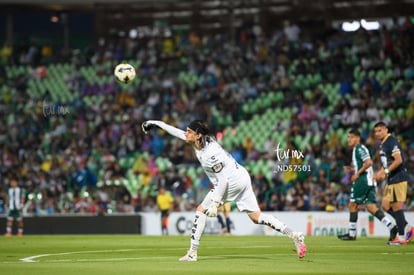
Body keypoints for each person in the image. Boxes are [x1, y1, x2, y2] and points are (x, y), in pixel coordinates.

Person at [142, 119, 306, 261]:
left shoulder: (210, 154)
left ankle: (192, 253)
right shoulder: (199, 141)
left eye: (190, 131)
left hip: (231, 181)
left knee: (200, 210)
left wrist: (214, 204)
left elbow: (223, 180)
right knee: (257, 217)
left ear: (198, 135)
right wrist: (155, 123)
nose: (186, 133)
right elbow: (175, 131)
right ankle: (294, 235)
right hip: (242, 176)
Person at [338, 128, 398, 241]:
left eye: (351, 137)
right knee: (371, 207)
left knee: (352, 205)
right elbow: (366, 163)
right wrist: (353, 168)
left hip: (363, 180)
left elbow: (369, 162)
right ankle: (392, 226)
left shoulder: (359, 148)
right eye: (348, 137)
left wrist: (357, 174)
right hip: (370, 180)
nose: (349, 140)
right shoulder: (358, 149)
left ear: (357, 138)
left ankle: (351, 234)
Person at [373, 122, 414, 245]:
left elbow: (398, 160)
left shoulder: (391, 141)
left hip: (398, 177)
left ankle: (401, 238)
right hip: (392, 179)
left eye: (380, 130)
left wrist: (385, 171)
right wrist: (379, 173)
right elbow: (387, 162)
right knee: (385, 206)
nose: (377, 133)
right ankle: (407, 226)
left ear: (386, 129)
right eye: (376, 131)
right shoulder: (384, 143)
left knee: (396, 207)